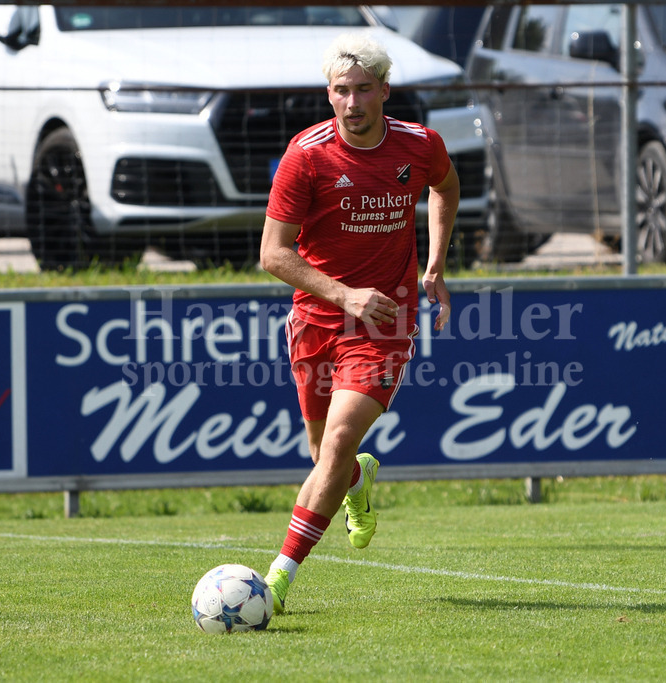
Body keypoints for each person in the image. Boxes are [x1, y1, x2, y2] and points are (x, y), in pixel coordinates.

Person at [259, 32, 459, 615]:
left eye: (364, 90)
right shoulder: (307, 155)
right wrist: (343, 294)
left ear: (384, 91)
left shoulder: (420, 145)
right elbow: (273, 254)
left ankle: (276, 581)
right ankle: (357, 481)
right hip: (318, 318)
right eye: (342, 91)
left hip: (386, 320)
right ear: (329, 95)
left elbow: (445, 186)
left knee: (339, 442)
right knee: (326, 454)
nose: (353, 103)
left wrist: (436, 265)